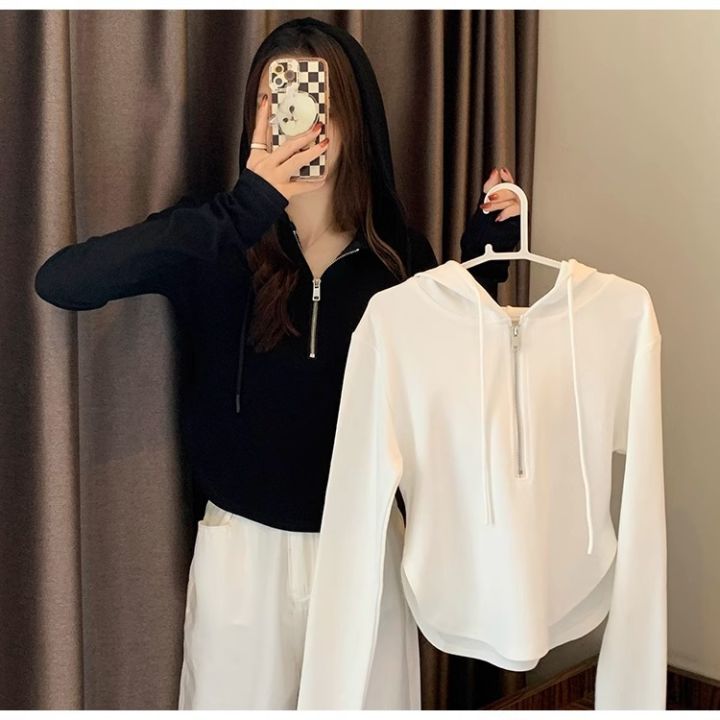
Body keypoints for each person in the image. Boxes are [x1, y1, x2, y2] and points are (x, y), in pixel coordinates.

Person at [33, 16, 521, 711]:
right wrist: (244, 209)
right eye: (273, 100)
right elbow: (62, 280)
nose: (293, 120)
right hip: (243, 552)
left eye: (313, 100)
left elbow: (452, 375)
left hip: (364, 550)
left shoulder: (396, 257)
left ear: (350, 118)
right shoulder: (214, 238)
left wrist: (485, 261)